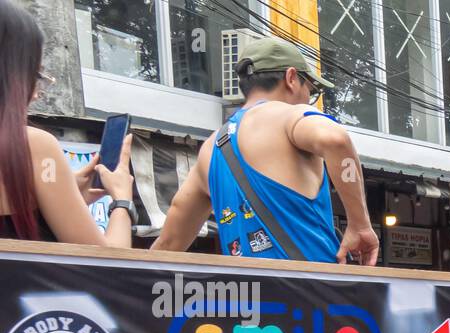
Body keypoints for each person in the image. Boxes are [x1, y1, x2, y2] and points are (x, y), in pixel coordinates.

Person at [153, 36, 377, 264]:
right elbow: (337, 140)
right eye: (310, 89)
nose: (309, 99)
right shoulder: (289, 116)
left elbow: (168, 244)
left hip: (248, 295)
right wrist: (360, 224)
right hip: (314, 291)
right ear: (291, 78)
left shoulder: (210, 149)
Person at [0, 2, 136, 246]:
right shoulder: (34, 146)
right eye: (36, 75)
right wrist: (122, 201)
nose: (36, 93)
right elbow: (108, 268)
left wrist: (60, 193)